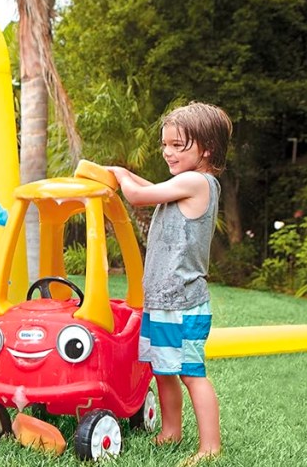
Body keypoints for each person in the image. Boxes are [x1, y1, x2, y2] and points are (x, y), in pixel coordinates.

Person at [106, 102, 232, 465]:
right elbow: (152, 187)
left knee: (191, 374)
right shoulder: (183, 183)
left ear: (206, 148)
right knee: (163, 370)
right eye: (166, 144)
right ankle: (170, 431)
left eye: (179, 145)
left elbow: (138, 195)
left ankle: (210, 448)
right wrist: (125, 174)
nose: (168, 152)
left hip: (183, 301)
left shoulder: (197, 181)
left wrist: (120, 175)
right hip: (162, 299)